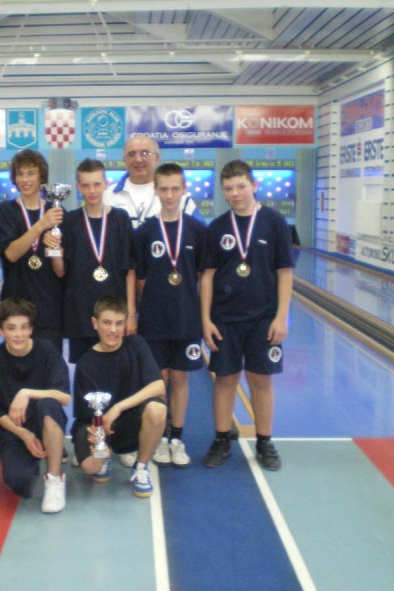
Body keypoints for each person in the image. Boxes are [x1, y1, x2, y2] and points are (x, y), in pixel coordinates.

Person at [200, 159, 294, 471]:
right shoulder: (217, 227)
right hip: (225, 318)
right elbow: (208, 276)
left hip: (263, 319)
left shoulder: (274, 222)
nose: (235, 193)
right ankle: (222, 439)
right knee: (225, 379)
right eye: (229, 188)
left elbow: (285, 272)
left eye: (241, 186)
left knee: (260, 379)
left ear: (254, 185)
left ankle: (264, 442)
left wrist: (281, 317)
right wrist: (206, 319)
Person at [135, 163, 208, 468]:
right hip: (153, 320)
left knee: (180, 378)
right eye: (163, 189)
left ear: (184, 189)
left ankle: (177, 438)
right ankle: (161, 437)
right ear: (155, 190)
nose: (169, 195)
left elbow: (203, 276)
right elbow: (140, 280)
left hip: (187, 319)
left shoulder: (197, 231)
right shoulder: (144, 232)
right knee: (159, 379)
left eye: (175, 189)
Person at [72, 296, 167, 498]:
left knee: (157, 409)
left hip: (130, 422)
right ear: (95, 323)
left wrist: (118, 407)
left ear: (125, 324)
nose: (113, 330)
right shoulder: (86, 364)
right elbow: (86, 417)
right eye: (107, 323)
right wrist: (99, 442)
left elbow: (159, 386)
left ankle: (141, 467)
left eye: (119, 323)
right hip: (100, 426)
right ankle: (104, 457)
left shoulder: (136, 344)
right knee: (91, 468)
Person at [0, 298, 70, 513]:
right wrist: (24, 434)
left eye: (24, 327)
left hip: (44, 420)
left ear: (31, 329)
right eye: (11, 328)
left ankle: (54, 479)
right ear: (0, 330)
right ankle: (38, 452)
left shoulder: (46, 350)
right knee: (19, 482)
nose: (19, 334)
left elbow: (64, 397)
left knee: (48, 404)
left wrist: (26, 393)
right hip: (14, 430)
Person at [51, 158, 136, 365]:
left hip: (115, 315)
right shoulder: (69, 221)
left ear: (106, 184)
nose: (92, 190)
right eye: (86, 185)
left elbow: (130, 271)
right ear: (78, 187)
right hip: (81, 312)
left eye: (97, 184)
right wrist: (54, 251)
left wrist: (131, 314)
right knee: (85, 372)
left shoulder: (121, 219)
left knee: (117, 371)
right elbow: (60, 272)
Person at [0, 150, 65, 351]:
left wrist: (55, 249)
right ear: (14, 178)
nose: (25, 179)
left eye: (31, 173)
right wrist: (40, 226)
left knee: (49, 363)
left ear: (41, 176)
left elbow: (60, 271)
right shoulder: (6, 211)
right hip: (15, 305)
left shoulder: (56, 212)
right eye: (20, 174)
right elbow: (11, 254)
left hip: (49, 306)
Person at [103, 135, 196, 229]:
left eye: (145, 153)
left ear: (156, 158)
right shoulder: (107, 196)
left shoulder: (180, 198)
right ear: (124, 159)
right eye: (132, 154)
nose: (138, 159)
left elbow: (198, 232)